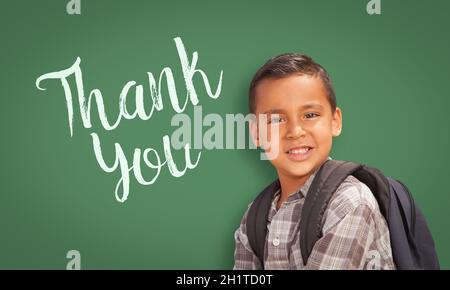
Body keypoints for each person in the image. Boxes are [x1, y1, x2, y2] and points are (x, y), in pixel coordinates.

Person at [233, 53, 395, 269]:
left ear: (335, 122)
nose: (295, 131)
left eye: (310, 115)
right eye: (276, 119)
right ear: (256, 133)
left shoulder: (349, 202)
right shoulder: (255, 217)